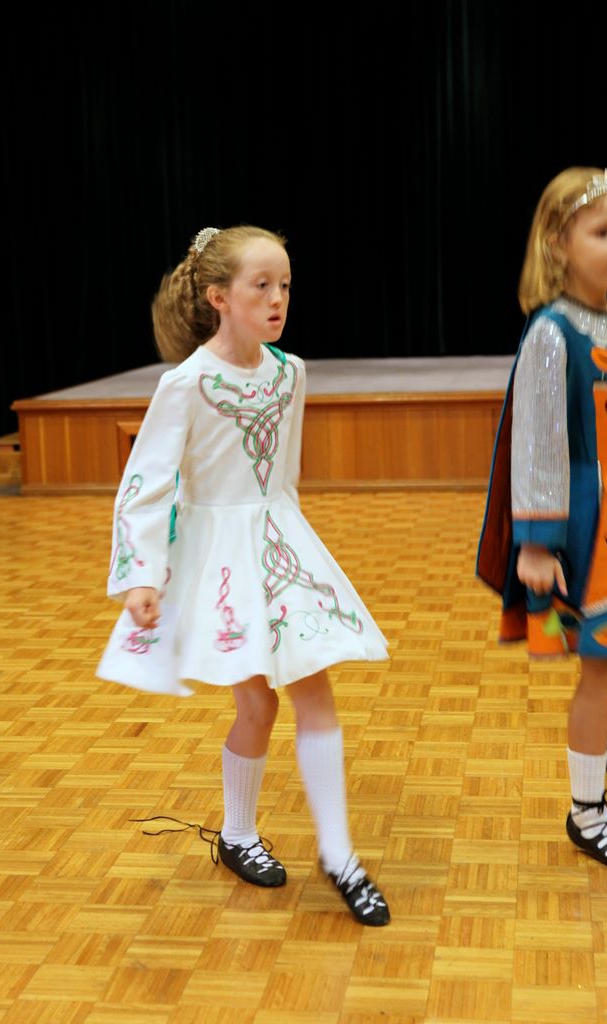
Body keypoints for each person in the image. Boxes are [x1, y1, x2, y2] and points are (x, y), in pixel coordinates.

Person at [97, 224, 390, 924]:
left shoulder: (291, 374)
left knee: (313, 686)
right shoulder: (186, 383)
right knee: (257, 708)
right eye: (261, 285)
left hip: (279, 547)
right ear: (218, 297)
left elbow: (282, 477)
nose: (277, 298)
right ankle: (236, 834)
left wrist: (291, 544)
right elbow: (146, 483)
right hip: (220, 560)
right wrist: (143, 575)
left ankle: (340, 856)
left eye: (284, 285)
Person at [476, 167, 607, 869]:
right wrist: (535, 543)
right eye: (603, 231)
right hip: (592, 530)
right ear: (558, 243)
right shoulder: (551, 332)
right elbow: (537, 441)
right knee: (603, 668)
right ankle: (587, 812)